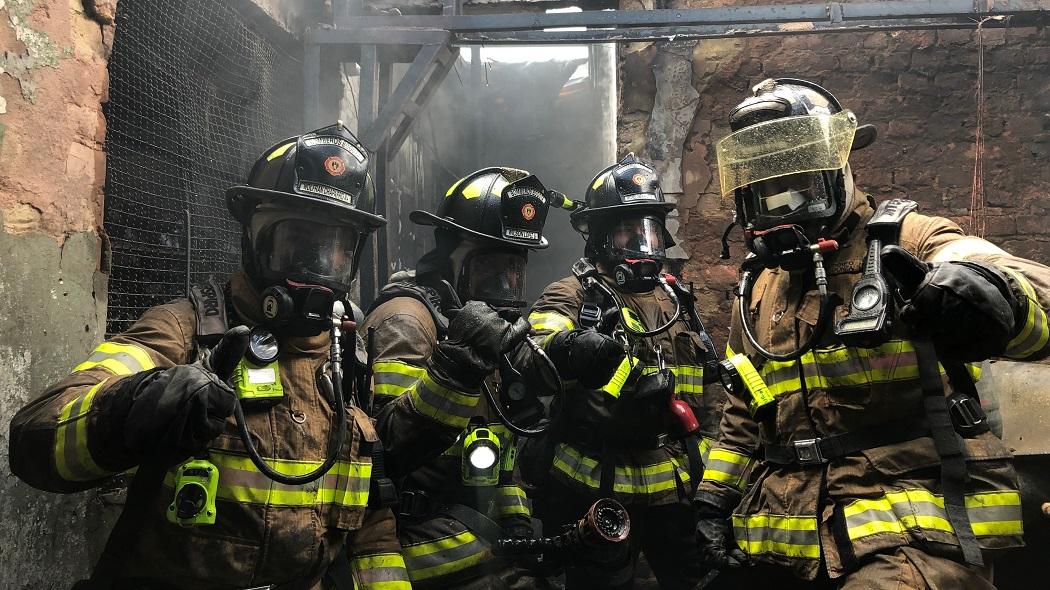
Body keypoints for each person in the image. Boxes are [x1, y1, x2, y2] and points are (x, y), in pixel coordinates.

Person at [8, 123, 412, 590]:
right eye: (297, 244)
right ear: (253, 241)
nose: (315, 271)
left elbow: (373, 531)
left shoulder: (351, 359)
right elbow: (33, 439)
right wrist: (129, 410)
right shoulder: (184, 330)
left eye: (334, 252)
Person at [695, 78, 1042, 589]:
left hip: (914, 533)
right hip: (786, 535)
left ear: (839, 167)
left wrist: (994, 293)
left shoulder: (909, 242)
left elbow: (1009, 276)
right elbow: (745, 408)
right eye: (766, 187)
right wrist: (713, 500)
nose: (782, 199)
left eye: (798, 179)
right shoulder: (760, 286)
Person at [520, 154, 721, 589]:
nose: (640, 242)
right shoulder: (574, 293)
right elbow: (533, 347)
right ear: (599, 240)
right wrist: (570, 347)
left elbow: (707, 396)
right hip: (597, 485)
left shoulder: (676, 303)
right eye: (627, 230)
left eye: (648, 230)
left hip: (673, 485)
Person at [362, 167, 556, 588]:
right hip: (422, 557)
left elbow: (495, 453)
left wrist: (518, 526)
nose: (504, 288)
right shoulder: (408, 322)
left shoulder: (475, 331)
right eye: (491, 271)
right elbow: (388, 451)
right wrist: (456, 371)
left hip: (481, 552)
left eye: (513, 273)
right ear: (449, 263)